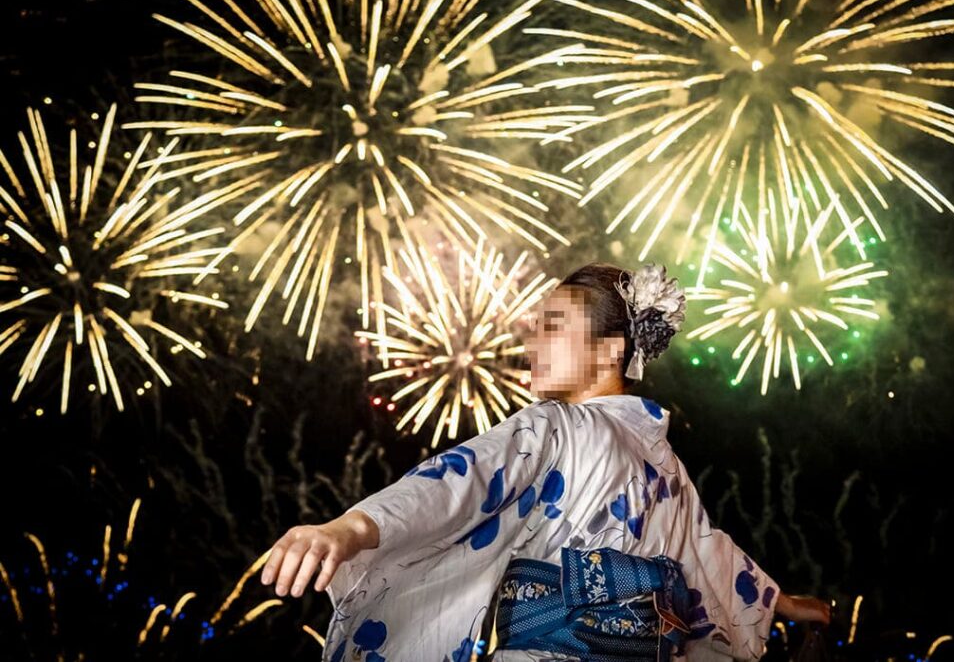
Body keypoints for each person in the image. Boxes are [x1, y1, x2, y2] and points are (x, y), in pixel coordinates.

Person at [260, 262, 831, 661]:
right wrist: (788, 605)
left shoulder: (580, 433)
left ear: (612, 349)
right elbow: (464, 478)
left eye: (553, 326)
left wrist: (352, 526)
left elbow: (462, 481)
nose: (533, 342)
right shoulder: (650, 457)